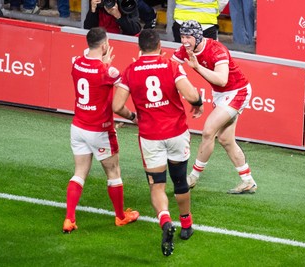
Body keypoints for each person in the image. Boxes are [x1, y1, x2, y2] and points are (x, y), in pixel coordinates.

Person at [112, 29, 203, 256]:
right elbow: (191, 95)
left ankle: (165, 221)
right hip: (176, 132)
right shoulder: (171, 66)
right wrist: (198, 103)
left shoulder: (130, 71)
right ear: (160, 45)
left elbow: (116, 106)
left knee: (157, 185)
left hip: (150, 136)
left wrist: (133, 117)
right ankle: (186, 225)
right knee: (180, 182)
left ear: (139, 48)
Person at [62, 27, 139, 233]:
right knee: (113, 172)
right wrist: (132, 117)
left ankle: (69, 218)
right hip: (100, 130)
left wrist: (104, 64)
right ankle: (121, 216)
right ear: (104, 45)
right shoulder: (108, 72)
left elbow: (91, 69)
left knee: (79, 172)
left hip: (78, 127)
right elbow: (124, 90)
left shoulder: (76, 62)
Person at [172, 20, 258, 194]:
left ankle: (193, 178)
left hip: (237, 91)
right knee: (226, 139)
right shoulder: (185, 50)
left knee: (208, 131)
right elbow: (170, 67)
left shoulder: (217, 49)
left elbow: (222, 80)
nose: (184, 41)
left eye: (188, 36)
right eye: (182, 36)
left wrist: (196, 67)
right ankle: (248, 181)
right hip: (220, 94)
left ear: (197, 36)